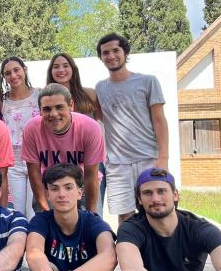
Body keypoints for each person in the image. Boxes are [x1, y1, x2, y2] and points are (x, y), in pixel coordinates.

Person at [95, 33, 168, 223]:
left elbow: (160, 120)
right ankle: (128, 252)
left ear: (125, 52)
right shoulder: (100, 88)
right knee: (125, 218)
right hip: (117, 165)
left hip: (147, 159)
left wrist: (163, 158)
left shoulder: (147, 81)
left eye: (115, 50)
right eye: (105, 53)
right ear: (101, 57)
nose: (111, 56)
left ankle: (155, 253)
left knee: (155, 212)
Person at [22, 84, 104, 213]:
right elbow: (34, 174)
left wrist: (91, 215)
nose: (53, 114)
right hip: (50, 186)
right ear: (40, 110)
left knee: (92, 227)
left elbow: (90, 175)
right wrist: (45, 211)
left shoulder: (90, 128)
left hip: (82, 185)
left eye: (59, 107)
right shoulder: (32, 129)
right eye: (47, 109)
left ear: (71, 105)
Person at [46, 52, 105, 214]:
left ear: (73, 69)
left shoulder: (89, 94)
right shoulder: (46, 98)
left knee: (92, 212)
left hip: (87, 162)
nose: (61, 70)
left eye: (66, 65)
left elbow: (101, 124)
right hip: (58, 164)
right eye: (56, 67)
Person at [0, 56, 39, 218]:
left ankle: (35, 244)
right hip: (13, 161)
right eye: (8, 73)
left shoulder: (39, 94)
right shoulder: (2, 100)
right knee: (17, 212)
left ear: (25, 70)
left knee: (33, 211)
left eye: (16, 70)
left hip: (35, 158)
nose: (13, 75)